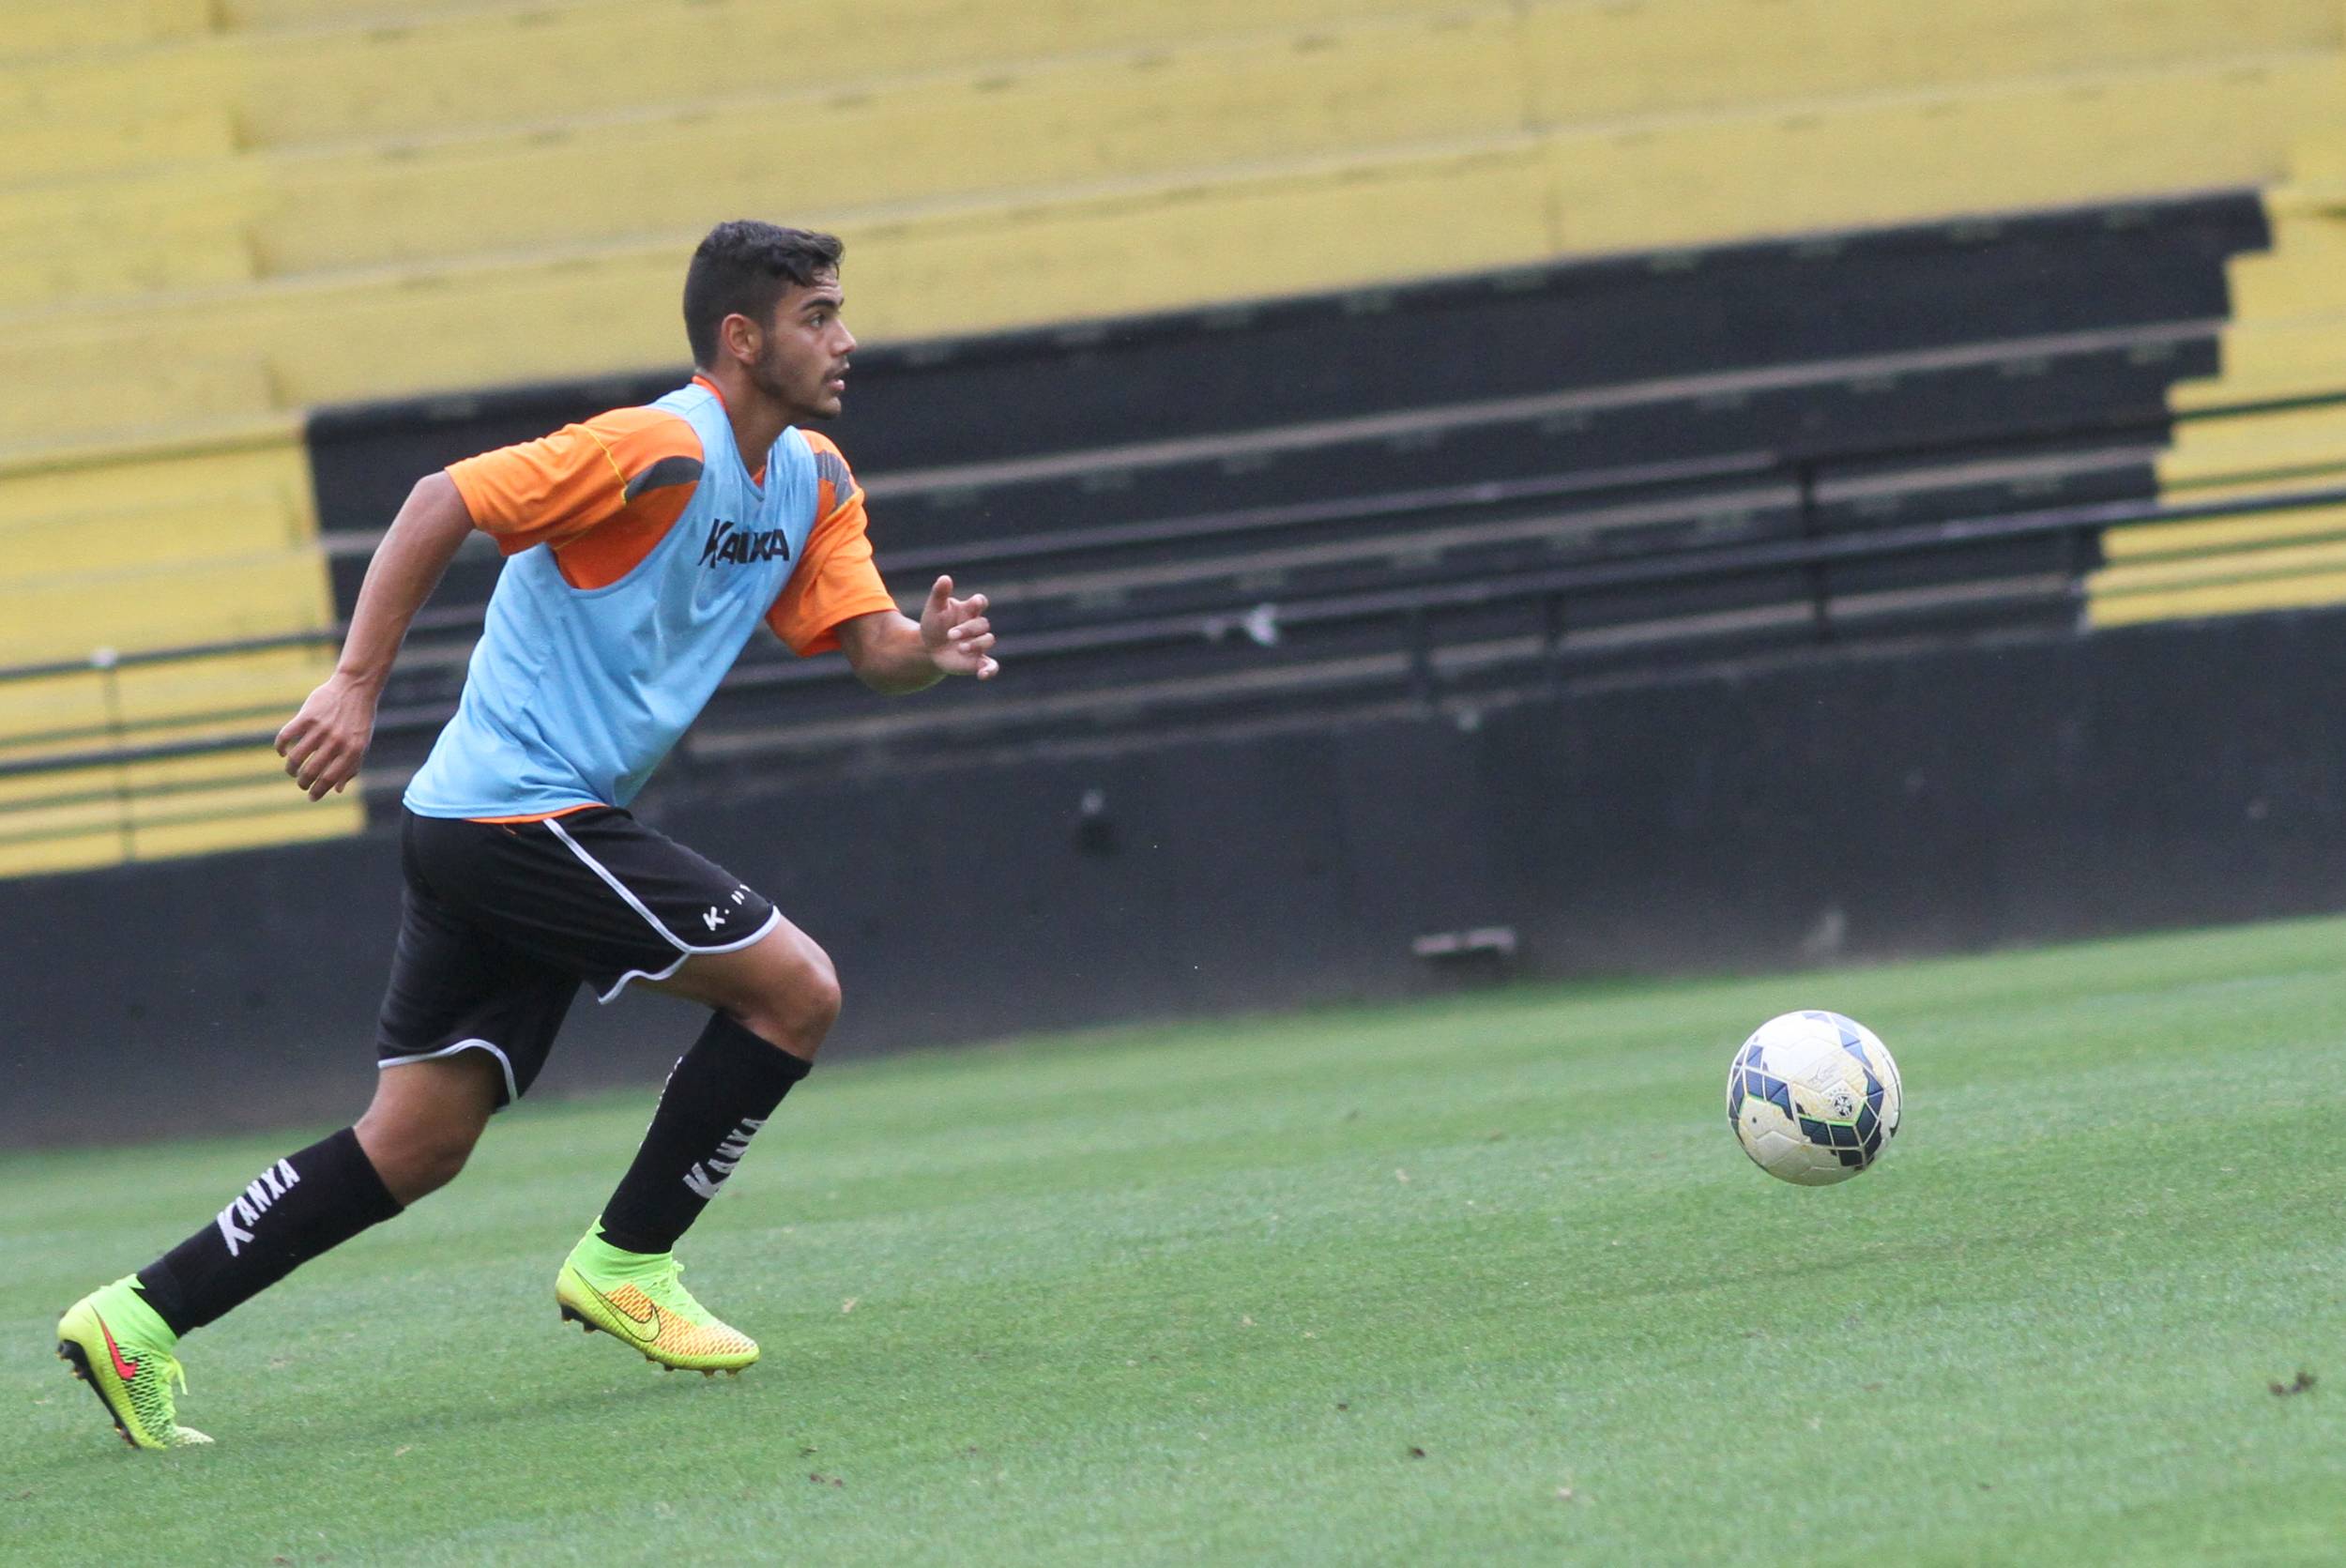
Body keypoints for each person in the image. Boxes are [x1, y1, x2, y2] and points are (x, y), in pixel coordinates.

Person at [53, 220, 998, 1450]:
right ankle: (629, 1263)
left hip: (489, 824)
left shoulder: (814, 479)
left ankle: (137, 1317)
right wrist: (353, 685)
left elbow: (867, 645)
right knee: (795, 992)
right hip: (516, 812)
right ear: (742, 336)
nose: (846, 338)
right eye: (819, 315)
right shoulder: (657, 448)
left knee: (417, 1143)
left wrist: (924, 655)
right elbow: (439, 498)